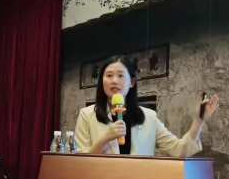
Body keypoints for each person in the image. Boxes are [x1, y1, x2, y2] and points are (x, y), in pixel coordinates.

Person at [74, 55, 219, 156]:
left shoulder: (149, 117)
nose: (114, 81)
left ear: (132, 82)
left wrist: (199, 122)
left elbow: (179, 150)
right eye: (109, 75)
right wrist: (104, 139)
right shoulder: (87, 115)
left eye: (120, 75)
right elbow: (79, 161)